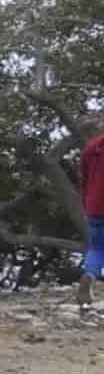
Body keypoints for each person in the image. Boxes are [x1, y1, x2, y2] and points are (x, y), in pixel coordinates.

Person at [80, 127, 104, 306]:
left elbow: (84, 179)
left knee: (96, 248)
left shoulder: (92, 147)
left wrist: (86, 205)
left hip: (95, 206)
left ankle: (89, 274)